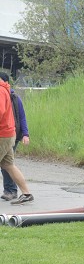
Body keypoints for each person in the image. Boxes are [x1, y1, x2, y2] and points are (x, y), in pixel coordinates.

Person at [0, 72, 34, 205]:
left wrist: (25, 133)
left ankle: (17, 192)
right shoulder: (5, 90)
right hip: (8, 134)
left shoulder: (1, 91)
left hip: (2, 135)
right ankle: (26, 194)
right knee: (8, 165)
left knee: (8, 165)